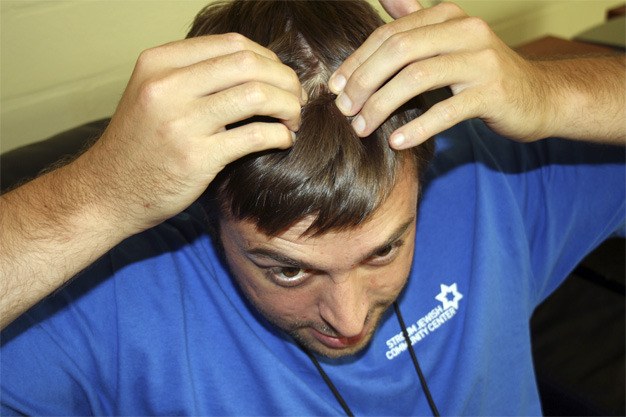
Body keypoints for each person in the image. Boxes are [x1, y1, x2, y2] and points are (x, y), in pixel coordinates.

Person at [0, 0, 624, 415]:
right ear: (206, 212)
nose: (347, 318)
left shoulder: (487, 181)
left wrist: (550, 93)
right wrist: (99, 195)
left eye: (386, 249)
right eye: (288, 270)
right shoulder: (118, 303)